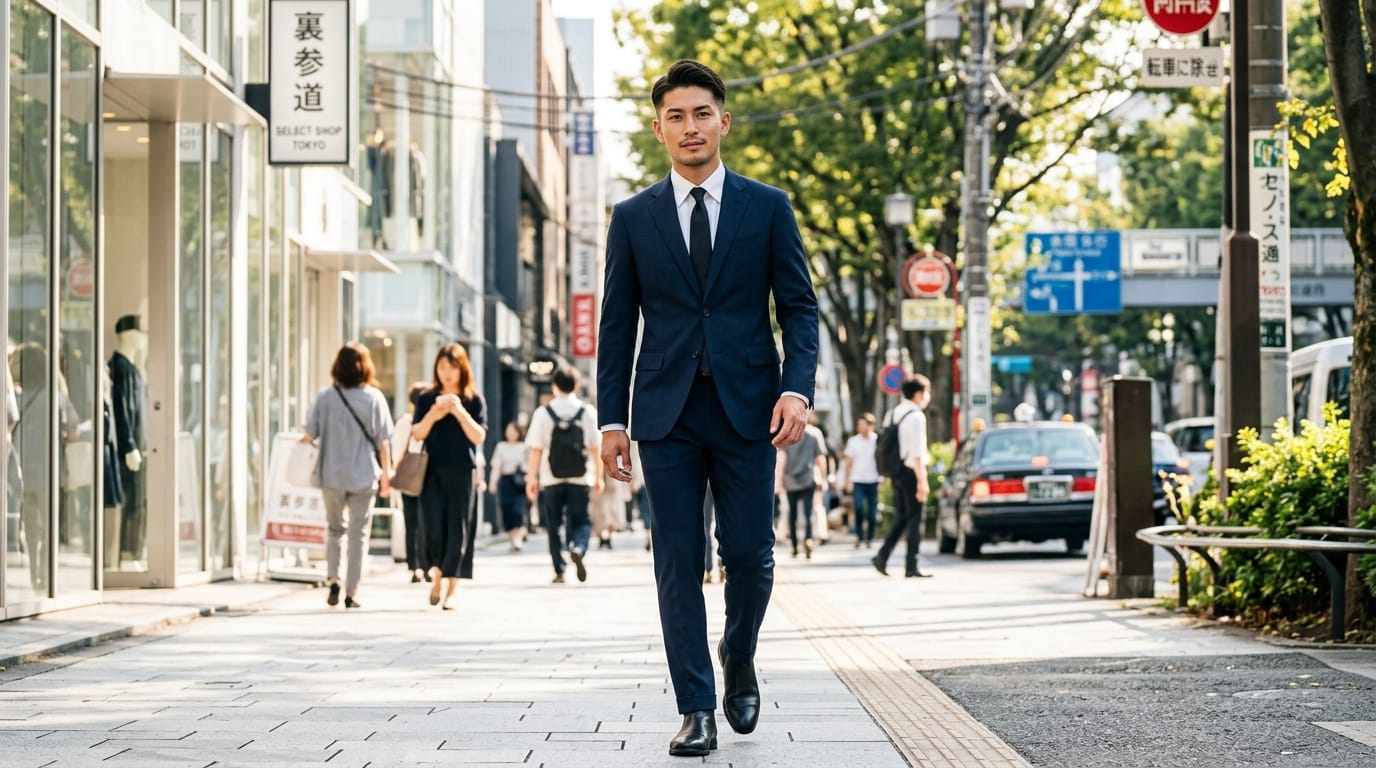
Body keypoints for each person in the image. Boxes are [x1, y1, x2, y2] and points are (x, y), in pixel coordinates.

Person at [596, 59, 819, 757]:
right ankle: (695, 707)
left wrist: (796, 388)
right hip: (664, 415)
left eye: (701, 113)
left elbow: (799, 308)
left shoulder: (768, 207)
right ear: (658, 128)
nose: (689, 126)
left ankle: (739, 651)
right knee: (677, 558)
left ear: (724, 121)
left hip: (749, 408)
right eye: (676, 116)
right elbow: (615, 324)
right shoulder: (633, 217)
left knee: (750, 554)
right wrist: (611, 421)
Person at [301, 343, 394, 609]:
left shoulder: (325, 397)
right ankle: (352, 592)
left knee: (334, 530)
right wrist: (386, 475)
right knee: (358, 535)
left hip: (331, 475)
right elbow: (383, 442)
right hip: (363, 476)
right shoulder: (374, 398)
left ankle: (333, 579)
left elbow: (310, 434)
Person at [411, 342, 487, 610]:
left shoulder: (473, 399)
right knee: (432, 526)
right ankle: (436, 578)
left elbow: (478, 436)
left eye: (452, 367)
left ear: (462, 368)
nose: (447, 372)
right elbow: (417, 433)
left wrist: (458, 411)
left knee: (458, 528)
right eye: (442, 367)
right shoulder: (426, 398)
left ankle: (452, 590)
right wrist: (434, 413)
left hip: (462, 471)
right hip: (430, 471)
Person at [525, 365, 602, 583]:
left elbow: (536, 449)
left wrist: (531, 478)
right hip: (580, 477)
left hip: (551, 477)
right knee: (582, 520)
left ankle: (559, 569)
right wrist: (598, 477)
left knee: (554, 524)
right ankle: (579, 547)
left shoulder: (543, 413)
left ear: (554, 386)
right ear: (576, 386)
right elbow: (595, 447)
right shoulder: (587, 411)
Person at [871, 375, 933, 579]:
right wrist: (922, 481)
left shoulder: (894, 412)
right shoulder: (916, 416)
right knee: (915, 518)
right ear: (918, 394)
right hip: (910, 472)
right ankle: (911, 566)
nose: (928, 396)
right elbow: (917, 453)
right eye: (927, 392)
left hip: (895, 471)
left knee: (902, 516)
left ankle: (882, 556)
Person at [390, 381, 430, 582]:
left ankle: (414, 567)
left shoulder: (405, 421)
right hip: (426, 477)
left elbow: (396, 450)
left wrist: (395, 470)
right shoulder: (428, 420)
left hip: (409, 477)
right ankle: (425, 565)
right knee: (425, 523)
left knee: (412, 523)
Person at [775, 418, 827, 559]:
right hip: (808, 479)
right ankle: (808, 540)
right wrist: (823, 478)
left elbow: (782, 458)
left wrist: (779, 481)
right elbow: (820, 458)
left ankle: (794, 546)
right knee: (808, 511)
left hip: (790, 480)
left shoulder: (787, 432)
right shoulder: (815, 434)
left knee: (793, 514)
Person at [488, 421, 530, 552]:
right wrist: (492, 483)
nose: (511, 434)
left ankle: (517, 537)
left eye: (514, 431)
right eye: (509, 431)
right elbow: (496, 466)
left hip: (520, 482)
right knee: (507, 509)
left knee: (518, 510)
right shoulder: (501, 446)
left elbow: (529, 465)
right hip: (505, 481)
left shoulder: (524, 447)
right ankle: (513, 538)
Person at [842, 413, 880, 548]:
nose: (860, 427)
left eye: (863, 425)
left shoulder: (877, 441)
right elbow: (849, 463)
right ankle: (859, 536)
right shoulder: (853, 441)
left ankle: (870, 538)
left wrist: (882, 479)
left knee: (872, 512)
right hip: (858, 480)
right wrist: (847, 480)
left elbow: (881, 461)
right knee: (858, 508)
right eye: (859, 425)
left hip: (874, 480)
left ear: (871, 426)